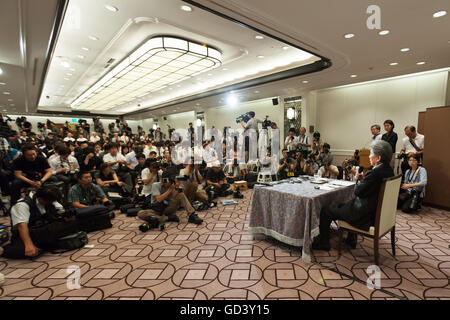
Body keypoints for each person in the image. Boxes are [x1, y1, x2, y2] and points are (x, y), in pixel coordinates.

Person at [313, 140, 394, 251]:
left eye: (371, 154)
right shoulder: (389, 171)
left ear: (378, 158)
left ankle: (324, 243)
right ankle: (351, 239)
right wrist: (364, 180)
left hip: (364, 214)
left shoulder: (374, 173)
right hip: (374, 212)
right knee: (342, 204)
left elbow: (357, 192)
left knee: (326, 211)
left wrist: (357, 180)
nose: (369, 157)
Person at [1, 187, 79, 259]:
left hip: (42, 229)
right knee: (22, 251)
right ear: (41, 199)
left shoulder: (48, 200)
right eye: (50, 202)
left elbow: (56, 214)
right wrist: (29, 245)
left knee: (72, 223)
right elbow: (22, 226)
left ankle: (45, 244)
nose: (52, 203)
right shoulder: (22, 205)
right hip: (27, 233)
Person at [137, 171, 203, 224]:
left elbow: (172, 197)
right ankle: (167, 218)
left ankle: (192, 215)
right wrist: (169, 190)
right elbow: (159, 199)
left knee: (181, 194)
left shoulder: (172, 185)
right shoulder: (156, 185)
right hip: (156, 209)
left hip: (168, 208)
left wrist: (176, 188)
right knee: (140, 213)